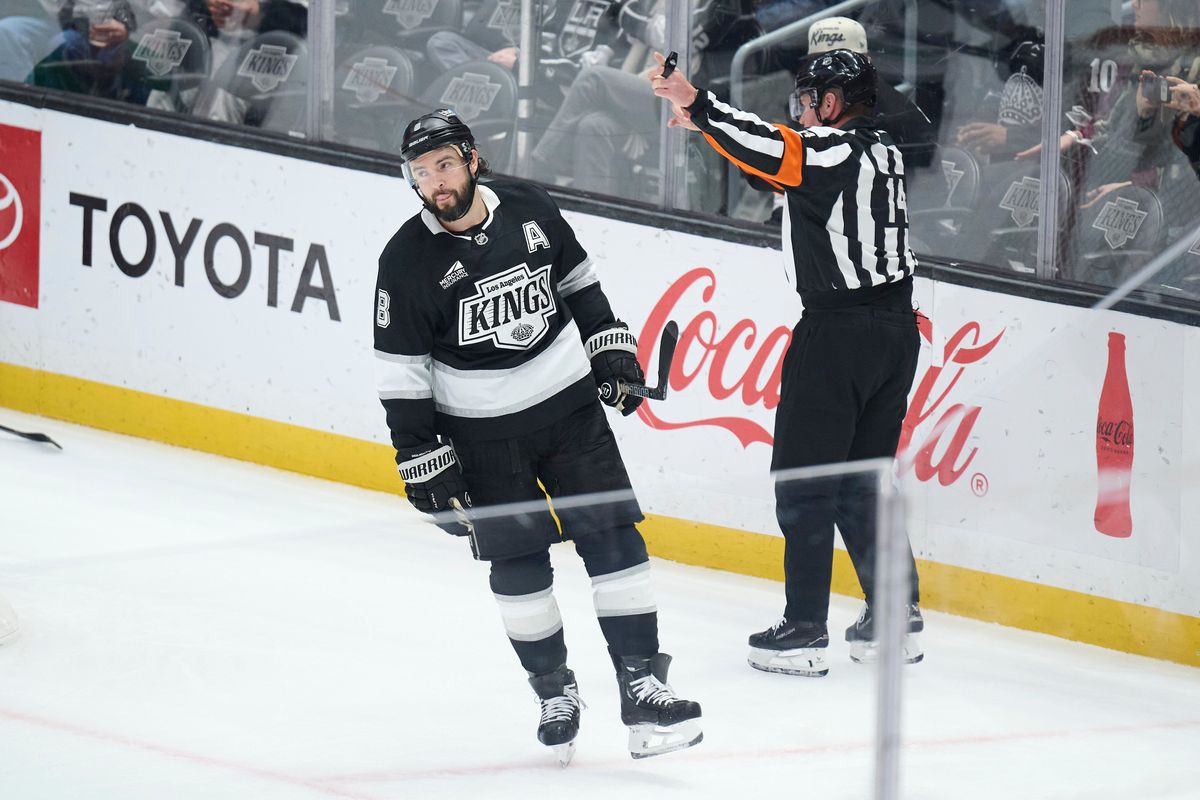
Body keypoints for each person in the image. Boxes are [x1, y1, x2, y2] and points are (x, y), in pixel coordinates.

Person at [373, 109, 702, 764]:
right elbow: (402, 372)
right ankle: (554, 692)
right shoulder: (404, 261)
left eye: (444, 164)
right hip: (482, 440)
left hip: (571, 414)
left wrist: (611, 353)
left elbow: (579, 283)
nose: (435, 181)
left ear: (472, 159)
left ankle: (642, 684)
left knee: (615, 540)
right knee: (519, 567)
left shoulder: (529, 206)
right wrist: (419, 455)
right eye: (421, 171)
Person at [649, 49, 923, 676]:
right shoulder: (883, 152)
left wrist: (698, 102)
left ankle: (803, 629)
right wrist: (708, 129)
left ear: (831, 102)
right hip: (895, 332)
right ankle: (896, 615)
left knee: (805, 482)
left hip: (838, 335)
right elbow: (775, 170)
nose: (800, 112)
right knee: (863, 477)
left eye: (806, 101)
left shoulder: (832, 150)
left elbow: (781, 150)